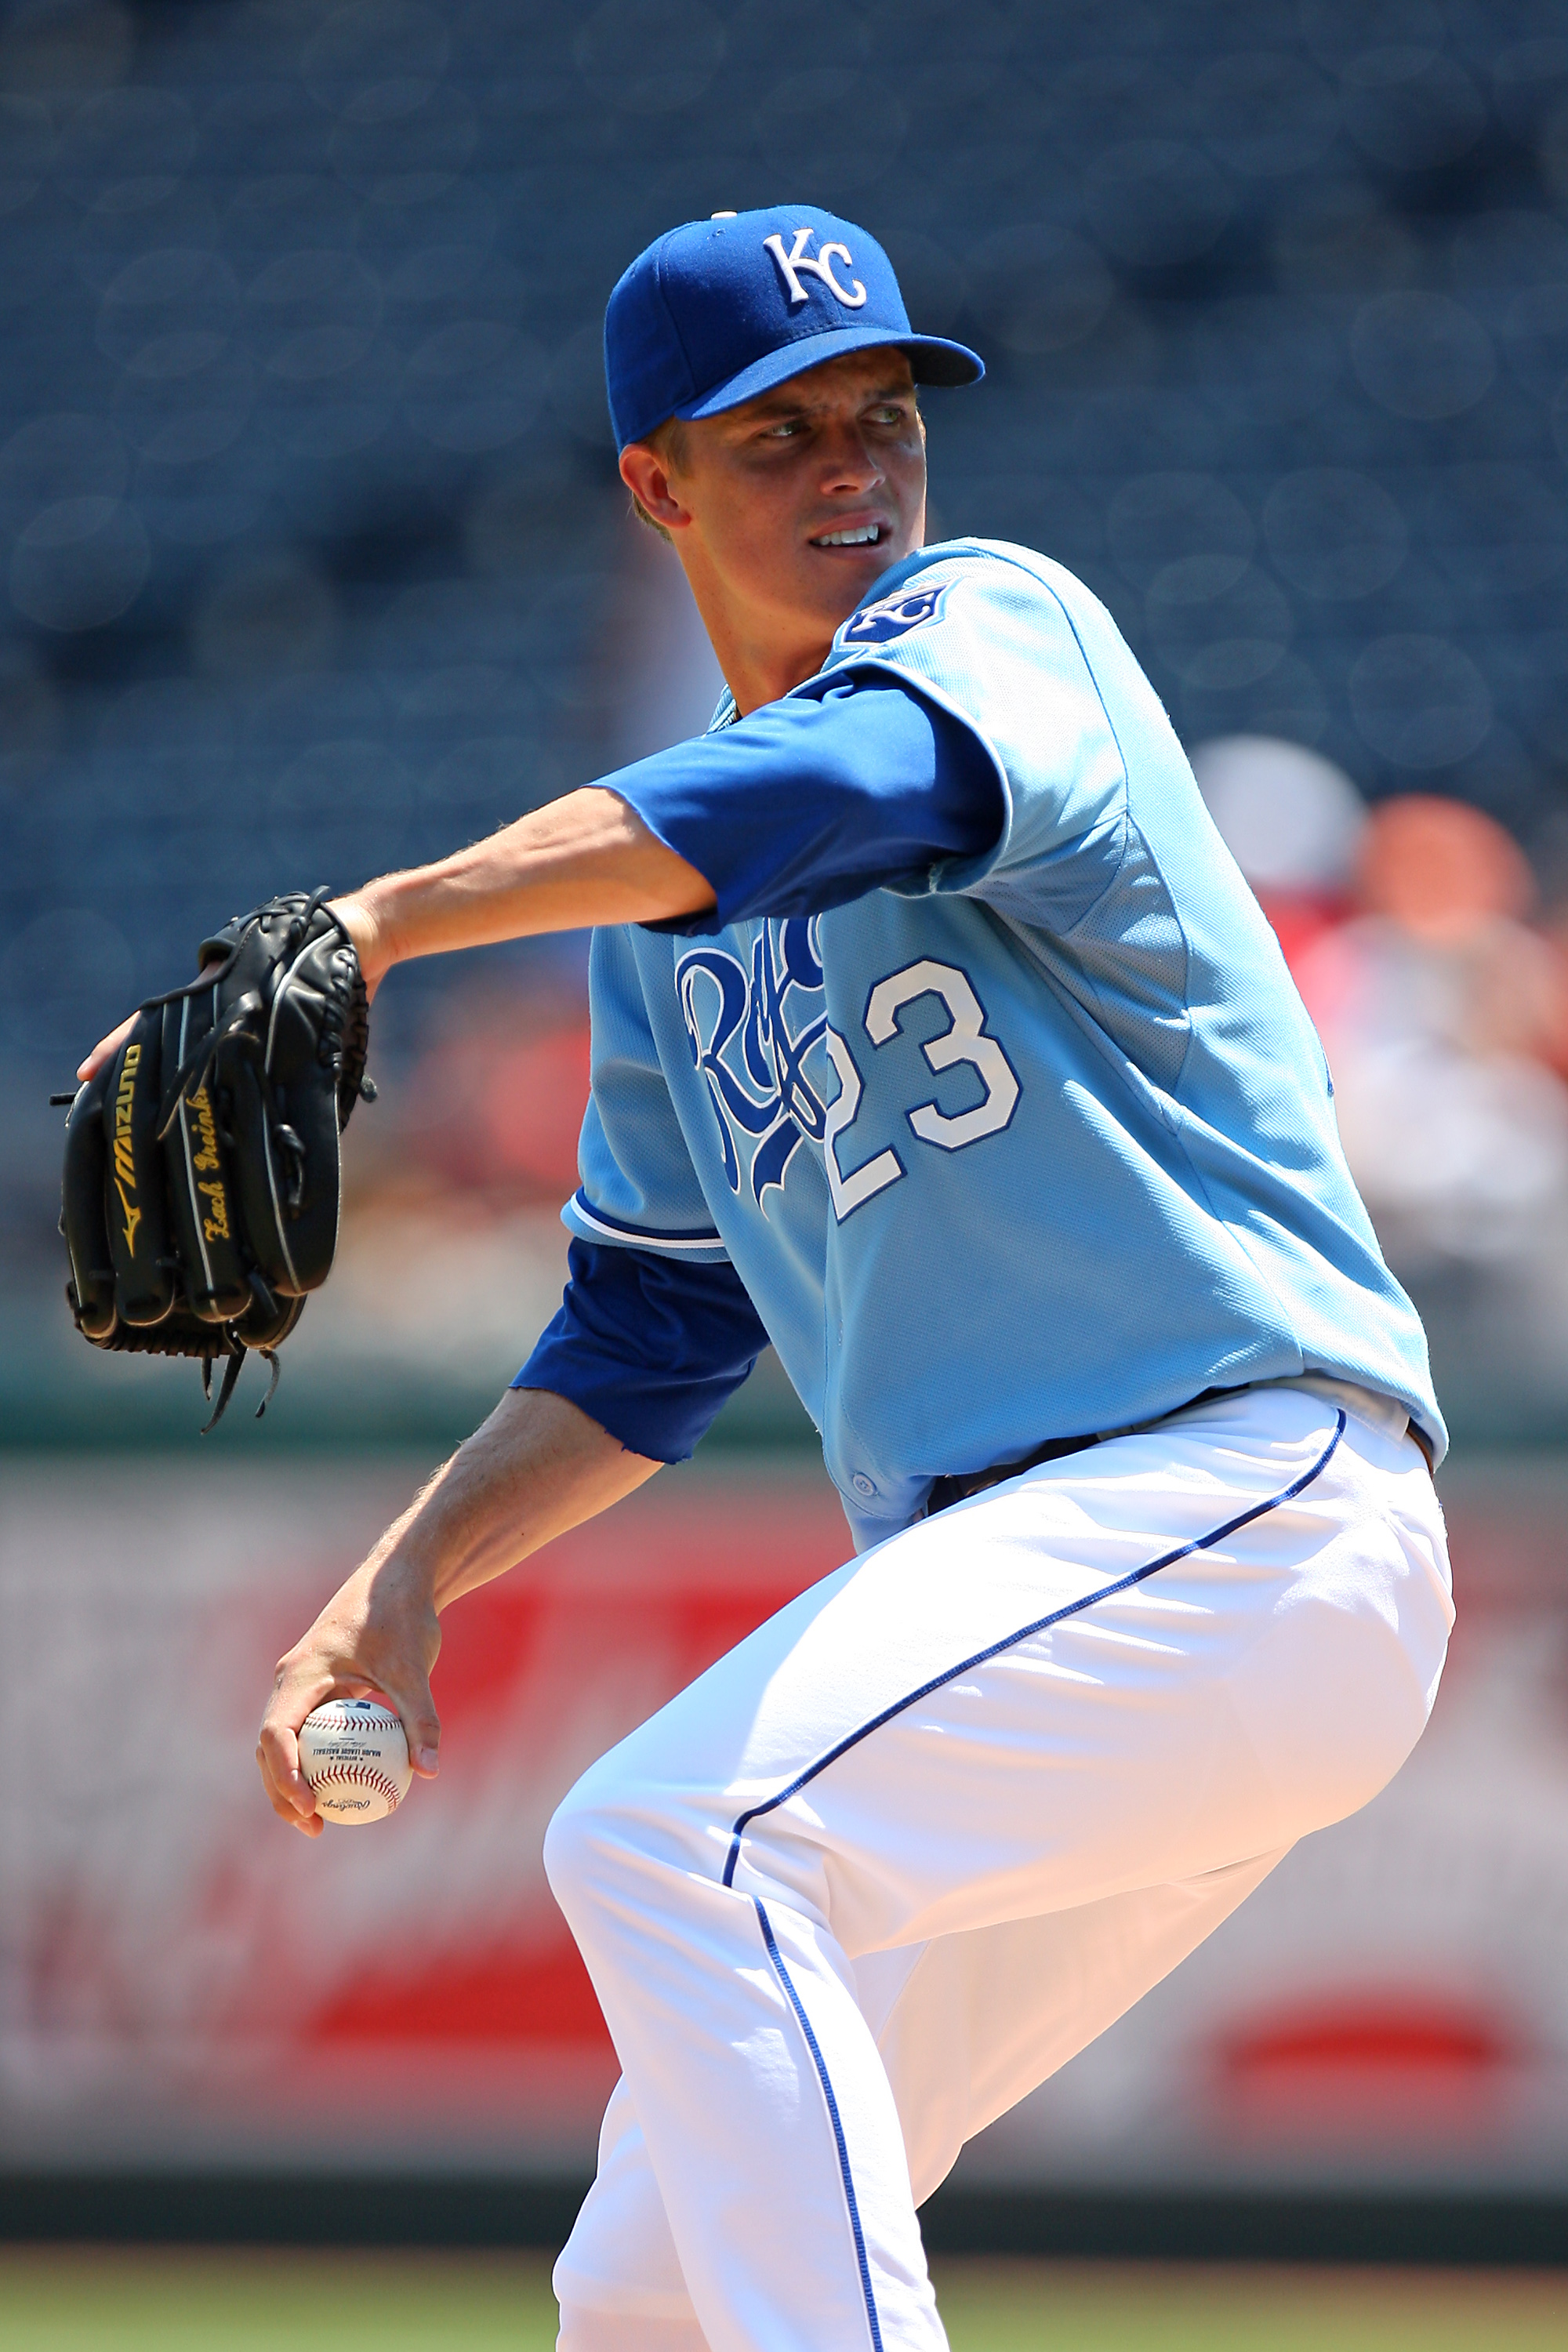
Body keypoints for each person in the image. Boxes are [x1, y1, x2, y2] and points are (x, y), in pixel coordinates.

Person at [87, 206, 1453, 2352]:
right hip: (1070, 1615)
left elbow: (848, 780)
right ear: (657, 489)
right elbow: (650, 1333)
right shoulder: (663, 932)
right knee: (653, 2278)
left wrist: (380, 917)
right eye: (779, 432)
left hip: (1236, 1508)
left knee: (675, 1846)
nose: (854, 469)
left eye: (886, 418)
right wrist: (410, 1580)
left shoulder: (998, 627)